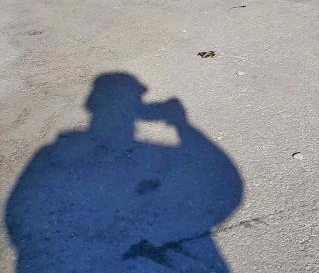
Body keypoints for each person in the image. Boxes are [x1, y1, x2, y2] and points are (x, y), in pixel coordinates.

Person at [5, 73, 243, 272]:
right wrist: (181, 124)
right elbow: (227, 186)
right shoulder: (57, 156)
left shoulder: (52, 156)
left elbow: (21, 219)